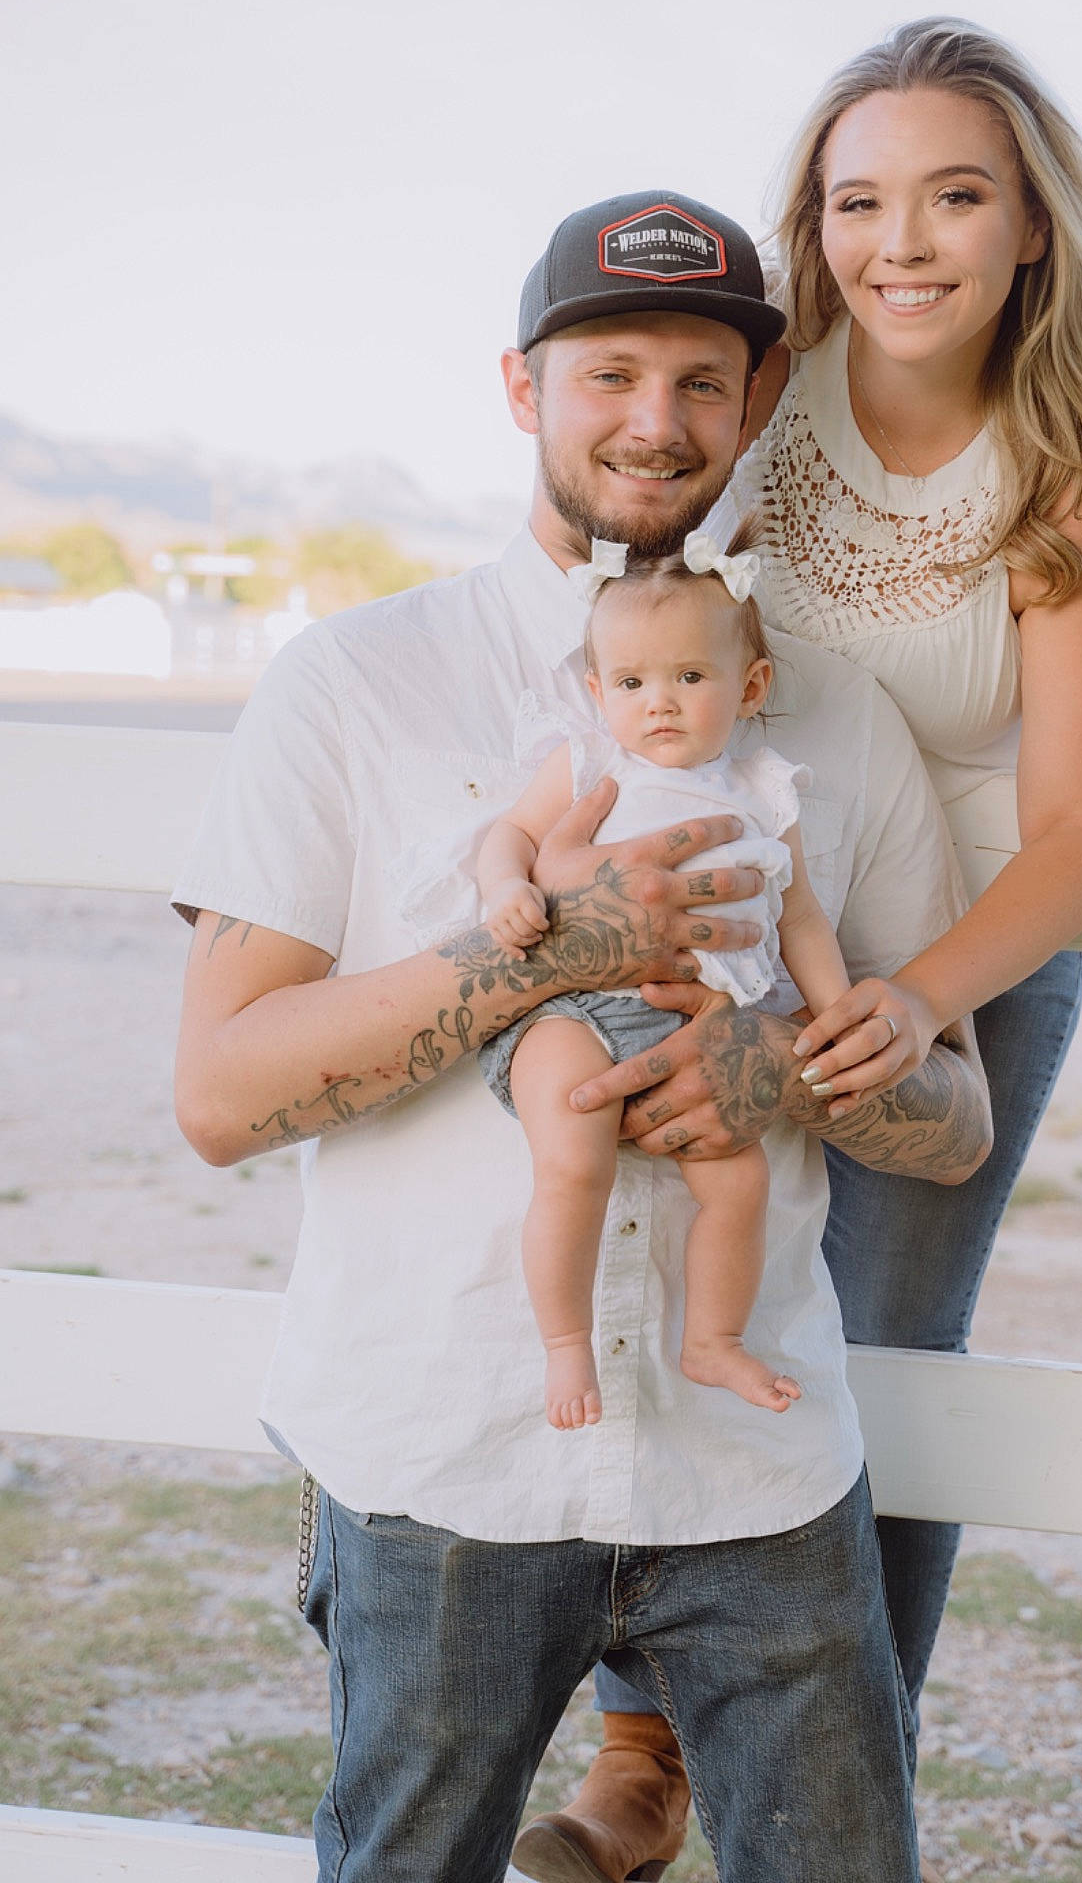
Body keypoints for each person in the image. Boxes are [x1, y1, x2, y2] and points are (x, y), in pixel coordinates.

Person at [171, 188, 993, 1883]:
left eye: (703, 379)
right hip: (441, 1450)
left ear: (757, 405)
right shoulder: (357, 681)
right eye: (607, 369)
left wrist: (786, 1064)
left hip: (756, 1468)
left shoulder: (830, 712)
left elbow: (958, 1113)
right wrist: (542, 953)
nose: (654, 418)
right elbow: (219, 1095)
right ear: (521, 385)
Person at [559, 20, 1082, 1876]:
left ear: (1029, 231)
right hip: (750, 920)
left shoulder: (1071, 468)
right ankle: (642, 1744)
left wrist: (928, 997)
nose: (899, 240)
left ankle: (852, 1771)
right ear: (814, 224)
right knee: (673, 1281)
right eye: (858, 200)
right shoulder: (767, 395)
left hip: (958, 963)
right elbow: (620, 573)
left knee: (885, 1357)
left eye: (953, 195)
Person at [477, 525, 849, 1426]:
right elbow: (512, 837)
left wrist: (834, 1012)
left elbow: (797, 914)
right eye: (634, 683)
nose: (662, 704)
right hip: (568, 1012)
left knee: (738, 1183)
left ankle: (713, 1341)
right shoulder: (589, 763)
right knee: (573, 1163)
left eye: (690, 677)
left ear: (748, 687)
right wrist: (504, 889)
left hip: (695, 1026)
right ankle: (566, 1347)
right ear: (598, 693)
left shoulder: (763, 789)